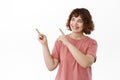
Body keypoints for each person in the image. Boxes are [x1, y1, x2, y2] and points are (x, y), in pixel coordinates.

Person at [36, 8, 98, 80]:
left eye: (79, 21)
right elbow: (51, 66)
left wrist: (68, 44)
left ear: (86, 24)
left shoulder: (91, 43)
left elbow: (86, 63)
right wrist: (44, 45)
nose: (75, 23)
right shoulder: (61, 40)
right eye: (73, 19)